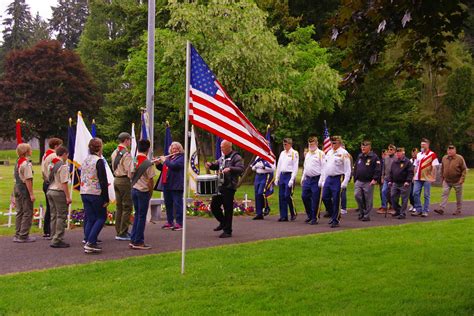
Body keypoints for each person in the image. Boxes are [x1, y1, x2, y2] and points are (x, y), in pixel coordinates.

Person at [205, 140, 244, 238]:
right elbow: (217, 165)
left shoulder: (236, 157)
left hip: (229, 186)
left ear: (228, 147)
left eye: (222, 147)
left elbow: (241, 169)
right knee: (214, 206)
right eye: (221, 147)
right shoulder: (222, 157)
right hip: (220, 185)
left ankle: (227, 231)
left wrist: (230, 168)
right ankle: (223, 222)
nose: (221, 149)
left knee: (228, 209)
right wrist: (211, 165)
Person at [80, 138, 109, 254]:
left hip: (84, 191)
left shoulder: (85, 160)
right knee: (101, 217)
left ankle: (87, 238)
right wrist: (106, 198)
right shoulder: (99, 161)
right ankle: (91, 242)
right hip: (96, 193)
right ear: (100, 148)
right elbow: (103, 180)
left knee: (91, 218)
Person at [319, 136, 351, 228]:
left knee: (336, 199)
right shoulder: (329, 152)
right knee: (325, 197)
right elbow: (325, 167)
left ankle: (335, 220)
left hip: (338, 178)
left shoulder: (344, 153)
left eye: (335, 143)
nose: (333, 145)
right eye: (332, 143)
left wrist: (345, 181)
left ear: (339, 143)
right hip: (329, 178)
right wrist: (323, 179)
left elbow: (347, 169)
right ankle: (333, 214)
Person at [129, 139, 156, 249]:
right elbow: (150, 180)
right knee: (141, 217)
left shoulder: (134, 160)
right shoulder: (148, 163)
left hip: (134, 189)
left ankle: (133, 238)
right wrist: (151, 192)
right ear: (148, 149)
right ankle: (138, 241)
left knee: (137, 215)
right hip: (143, 190)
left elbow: (130, 175)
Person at [155, 142, 185, 230]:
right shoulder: (170, 158)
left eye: (176, 148)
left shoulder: (181, 158)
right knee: (168, 204)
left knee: (177, 204)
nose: (174, 150)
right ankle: (170, 222)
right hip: (167, 184)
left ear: (180, 149)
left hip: (176, 185)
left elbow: (174, 166)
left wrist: (165, 160)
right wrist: (158, 164)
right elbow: (164, 168)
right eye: (173, 148)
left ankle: (179, 223)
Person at [46, 146, 72, 248]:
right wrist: (68, 196)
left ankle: (53, 235)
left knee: (54, 214)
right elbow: (64, 182)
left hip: (50, 189)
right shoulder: (63, 166)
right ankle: (57, 239)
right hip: (58, 191)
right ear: (64, 154)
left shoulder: (52, 163)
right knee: (61, 215)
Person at [111, 132, 133, 241]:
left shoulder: (115, 152)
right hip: (124, 180)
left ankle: (118, 230)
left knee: (119, 207)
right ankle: (123, 231)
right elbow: (130, 170)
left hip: (116, 179)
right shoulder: (126, 154)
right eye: (129, 140)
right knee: (127, 206)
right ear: (126, 140)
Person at [434, 145, 467, 215]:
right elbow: (442, 168)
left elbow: (464, 169)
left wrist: (462, 179)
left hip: (457, 181)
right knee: (444, 194)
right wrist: (442, 178)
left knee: (459, 196)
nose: (450, 151)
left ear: (455, 151)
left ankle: (458, 210)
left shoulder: (460, 158)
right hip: (447, 181)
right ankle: (441, 209)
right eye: (449, 150)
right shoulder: (444, 158)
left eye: (452, 150)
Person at [13, 143, 36, 243]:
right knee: (27, 212)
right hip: (23, 189)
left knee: (20, 212)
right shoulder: (26, 164)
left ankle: (17, 233)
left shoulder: (18, 162)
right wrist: (31, 193)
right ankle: (23, 235)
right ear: (26, 151)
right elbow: (28, 179)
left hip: (17, 187)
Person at [353, 141, 381, 221]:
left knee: (368, 199)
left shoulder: (374, 157)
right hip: (359, 180)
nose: (363, 148)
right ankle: (362, 211)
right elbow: (356, 167)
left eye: (365, 147)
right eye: (362, 147)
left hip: (368, 181)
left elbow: (378, 169)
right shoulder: (360, 156)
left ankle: (366, 215)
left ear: (369, 147)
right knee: (357, 195)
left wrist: (375, 179)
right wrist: (355, 178)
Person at [41, 138, 63, 239]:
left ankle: (47, 230)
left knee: (50, 208)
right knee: (53, 209)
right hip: (52, 182)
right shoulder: (54, 156)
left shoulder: (46, 154)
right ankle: (50, 230)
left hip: (46, 181)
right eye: (60, 145)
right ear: (56, 146)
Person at [300, 136, 325, 225]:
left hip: (316, 179)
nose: (311, 145)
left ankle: (315, 217)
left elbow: (323, 167)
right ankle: (310, 215)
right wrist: (303, 177)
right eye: (310, 144)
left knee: (315, 199)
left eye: (313, 143)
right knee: (304, 196)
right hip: (308, 178)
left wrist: (321, 180)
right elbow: (305, 166)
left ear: (317, 143)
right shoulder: (308, 154)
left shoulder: (320, 153)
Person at [412, 138, 439, 217]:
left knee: (426, 194)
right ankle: (418, 209)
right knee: (415, 193)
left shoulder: (432, 154)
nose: (422, 146)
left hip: (427, 177)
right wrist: (414, 175)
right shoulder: (418, 154)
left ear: (428, 145)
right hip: (418, 177)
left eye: (423, 144)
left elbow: (434, 167)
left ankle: (425, 210)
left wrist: (433, 177)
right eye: (421, 145)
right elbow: (415, 166)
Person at [275, 138, 299, 222]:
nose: (284, 146)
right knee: (281, 196)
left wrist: (292, 179)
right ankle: (283, 216)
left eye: (286, 144)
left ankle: (293, 212)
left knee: (287, 195)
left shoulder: (294, 153)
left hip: (289, 175)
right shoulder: (282, 153)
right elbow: (279, 165)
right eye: (283, 144)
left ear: (290, 144)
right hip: (282, 175)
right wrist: (277, 177)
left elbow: (295, 167)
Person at [387, 148, 414, 219]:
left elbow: (410, 172)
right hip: (395, 183)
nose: (398, 154)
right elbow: (391, 172)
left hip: (404, 183)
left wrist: (408, 181)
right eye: (397, 152)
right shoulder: (394, 162)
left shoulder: (407, 162)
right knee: (393, 197)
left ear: (403, 153)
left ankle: (402, 213)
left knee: (404, 199)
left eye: (399, 152)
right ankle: (398, 210)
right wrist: (390, 180)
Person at [250, 155, 275, 220]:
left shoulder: (270, 156)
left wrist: (263, 167)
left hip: (265, 176)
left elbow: (273, 168)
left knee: (261, 193)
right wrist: (255, 166)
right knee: (257, 194)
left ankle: (266, 207)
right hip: (258, 176)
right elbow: (252, 168)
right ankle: (259, 213)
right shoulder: (258, 156)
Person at [378, 144, 396, 214]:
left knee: (392, 193)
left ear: (394, 150)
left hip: (394, 179)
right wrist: (382, 177)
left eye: (391, 149)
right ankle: (384, 206)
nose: (389, 151)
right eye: (388, 149)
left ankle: (393, 206)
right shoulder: (386, 158)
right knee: (383, 191)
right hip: (386, 178)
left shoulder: (396, 158)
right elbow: (383, 168)